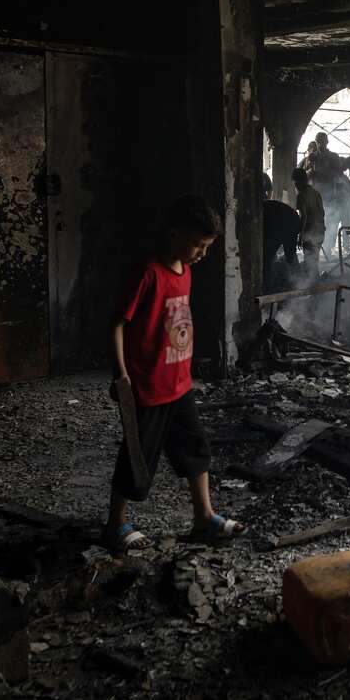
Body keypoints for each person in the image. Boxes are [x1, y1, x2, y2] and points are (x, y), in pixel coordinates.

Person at [104, 194, 246, 551]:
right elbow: (118, 324)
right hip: (149, 386)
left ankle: (204, 518)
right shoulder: (148, 272)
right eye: (197, 244)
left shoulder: (186, 271)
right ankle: (115, 524)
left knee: (196, 450)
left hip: (179, 384)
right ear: (174, 234)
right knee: (138, 458)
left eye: (206, 246)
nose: (201, 253)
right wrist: (121, 375)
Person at [261, 172, 300, 292]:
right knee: (290, 255)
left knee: (266, 258)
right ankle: (300, 284)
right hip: (293, 219)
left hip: (286, 222)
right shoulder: (269, 206)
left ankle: (266, 292)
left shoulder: (260, 209)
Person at [294, 167, 326, 281]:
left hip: (310, 233)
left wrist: (300, 235)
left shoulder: (301, 196)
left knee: (310, 264)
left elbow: (304, 216)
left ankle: (314, 289)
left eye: (295, 182)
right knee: (314, 262)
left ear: (298, 181)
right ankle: (317, 290)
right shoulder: (316, 193)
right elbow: (322, 213)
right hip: (321, 231)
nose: (295, 185)